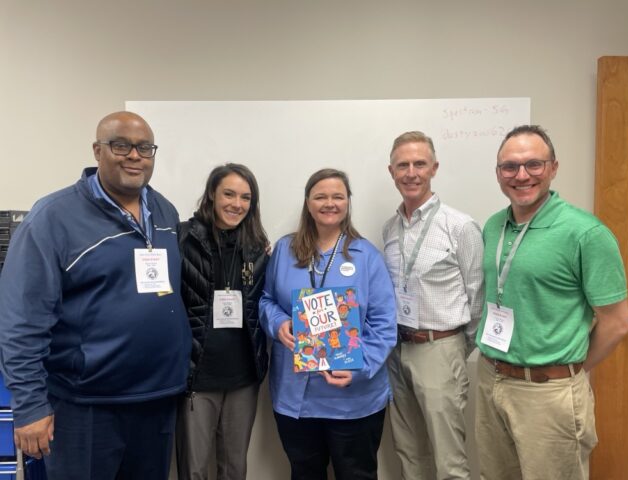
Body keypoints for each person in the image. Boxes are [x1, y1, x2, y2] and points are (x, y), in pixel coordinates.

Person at [0, 111, 191, 480]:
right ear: (97, 151)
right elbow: (22, 319)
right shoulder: (53, 217)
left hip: (156, 399)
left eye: (145, 147)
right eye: (121, 145)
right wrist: (29, 406)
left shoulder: (164, 211)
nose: (134, 156)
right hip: (85, 407)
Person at [476, 125, 628, 480]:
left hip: (549, 393)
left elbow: (617, 322)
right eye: (510, 167)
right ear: (499, 173)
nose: (521, 175)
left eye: (534, 164)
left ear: (554, 168)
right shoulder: (494, 226)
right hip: (492, 379)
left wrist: (568, 371)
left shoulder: (585, 233)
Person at [259, 168, 396, 480]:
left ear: (348, 202)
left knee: (356, 474)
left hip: (353, 398)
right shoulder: (284, 250)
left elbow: (384, 325)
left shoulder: (367, 257)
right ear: (308, 203)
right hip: (296, 398)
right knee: (304, 473)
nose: (329, 203)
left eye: (338, 196)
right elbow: (266, 300)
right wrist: (279, 323)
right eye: (320, 196)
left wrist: (360, 367)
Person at [382, 131, 484, 479]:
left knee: (448, 460)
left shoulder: (460, 227)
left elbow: (478, 298)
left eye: (419, 164)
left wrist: (454, 347)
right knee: (409, 452)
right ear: (391, 171)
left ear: (434, 168)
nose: (411, 172)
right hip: (396, 351)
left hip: (440, 349)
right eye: (403, 165)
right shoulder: (389, 229)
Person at [176, 163, 270, 480]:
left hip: (243, 377)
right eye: (229, 194)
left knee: (235, 467)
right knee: (195, 469)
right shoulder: (183, 239)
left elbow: (264, 303)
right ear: (212, 195)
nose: (237, 204)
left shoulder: (257, 247)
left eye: (245, 197)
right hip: (196, 376)